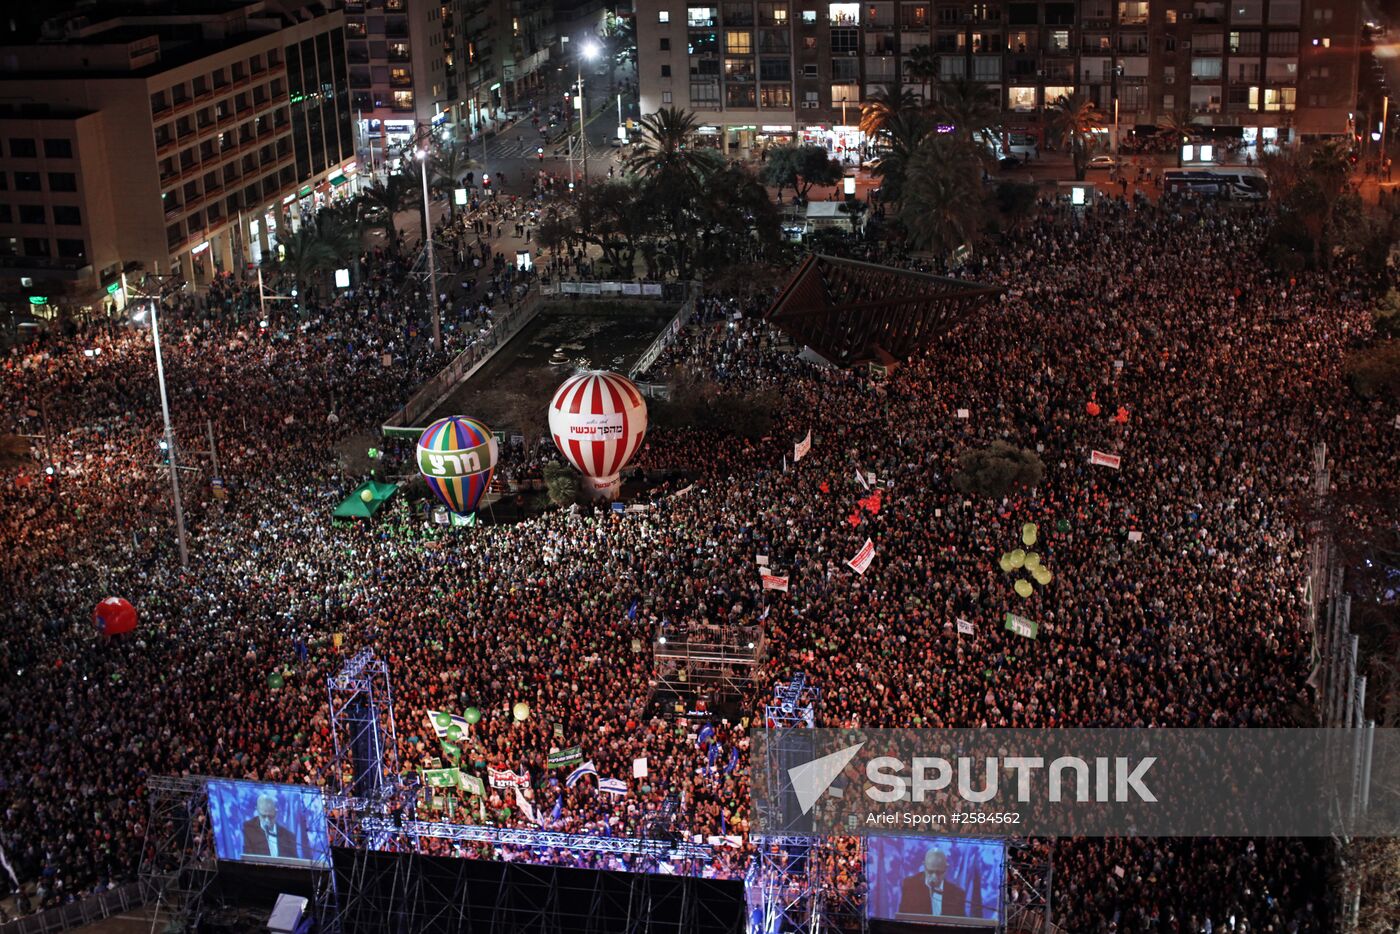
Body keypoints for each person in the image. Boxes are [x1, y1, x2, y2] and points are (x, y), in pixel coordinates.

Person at [898, 848, 966, 917]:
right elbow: (902, 917)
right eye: (930, 872)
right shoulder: (910, 886)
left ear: (946, 868)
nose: (934, 877)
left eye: (939, 872)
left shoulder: (958, 894)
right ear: (924, 866)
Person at [242, 793, 297, 859]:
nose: (267, 820)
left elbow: (294, 862)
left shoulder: (289, 837)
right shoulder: (247, 830)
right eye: (263, 816)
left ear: (276, 812)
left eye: (271, 816)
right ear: (257, 811)